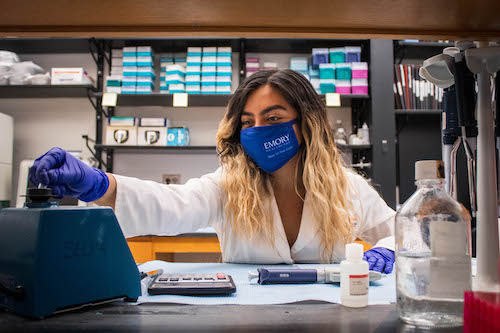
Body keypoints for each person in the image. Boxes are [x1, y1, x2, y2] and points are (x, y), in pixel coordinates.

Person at [29, 69, 395, 273]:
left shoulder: (345, 187)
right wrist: (97, 184)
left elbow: (406, 233)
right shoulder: (228, 186)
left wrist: (391, 250)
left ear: (306, 124)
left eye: (274, 119)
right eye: (248, 122)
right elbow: (171, 205)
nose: (258, 130)